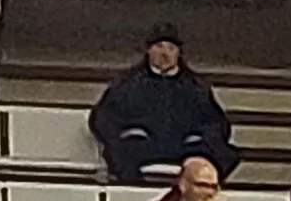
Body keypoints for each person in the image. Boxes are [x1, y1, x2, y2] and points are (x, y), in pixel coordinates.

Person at [91, 28, 236, 182]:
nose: (165, 53)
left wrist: (201, 138)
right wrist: (126, 134)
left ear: (178, 54)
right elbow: (103, 118)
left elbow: (216, 122)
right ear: (149, 51)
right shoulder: (127, 84)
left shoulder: (195, 87)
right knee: (120, 152)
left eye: (171, 48)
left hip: (186, 148)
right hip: (142, 146)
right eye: (159, 46)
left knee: (224, 154)